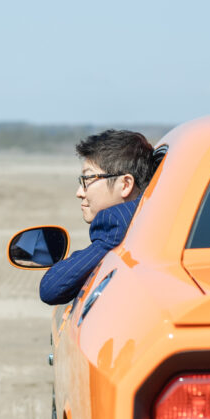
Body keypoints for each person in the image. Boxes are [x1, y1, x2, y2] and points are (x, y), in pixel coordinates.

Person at [39, 130, 157, 305]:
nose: (79, 193)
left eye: (88, 180)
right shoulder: (160, 214)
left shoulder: (118, 226)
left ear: (125, 184)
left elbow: (51, 288)